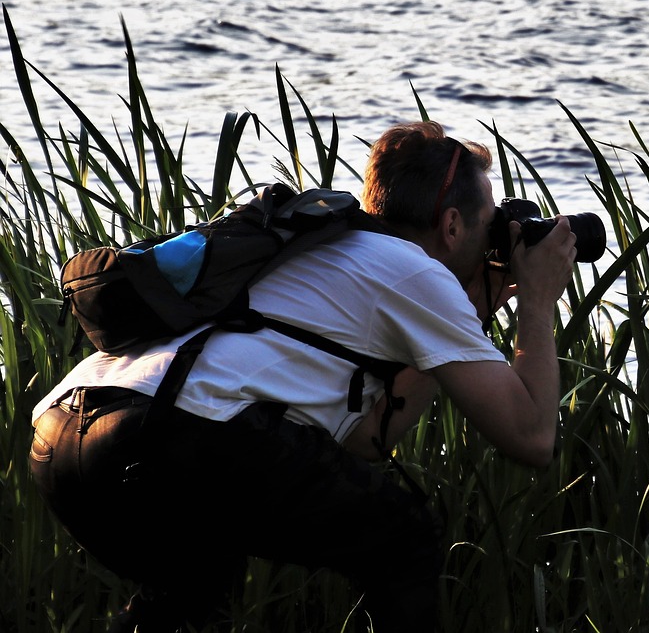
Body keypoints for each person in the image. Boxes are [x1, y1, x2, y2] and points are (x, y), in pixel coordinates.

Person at [27, 120, 578, 632]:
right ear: (452, 224)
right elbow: (530, 439)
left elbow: (366, 438)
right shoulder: (416, 270)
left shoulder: (320, 244)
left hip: (65, 436)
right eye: (488, 224)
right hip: (178, 430)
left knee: (189, 593)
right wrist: (536, 298)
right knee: (405, 540)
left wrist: (463, 319)